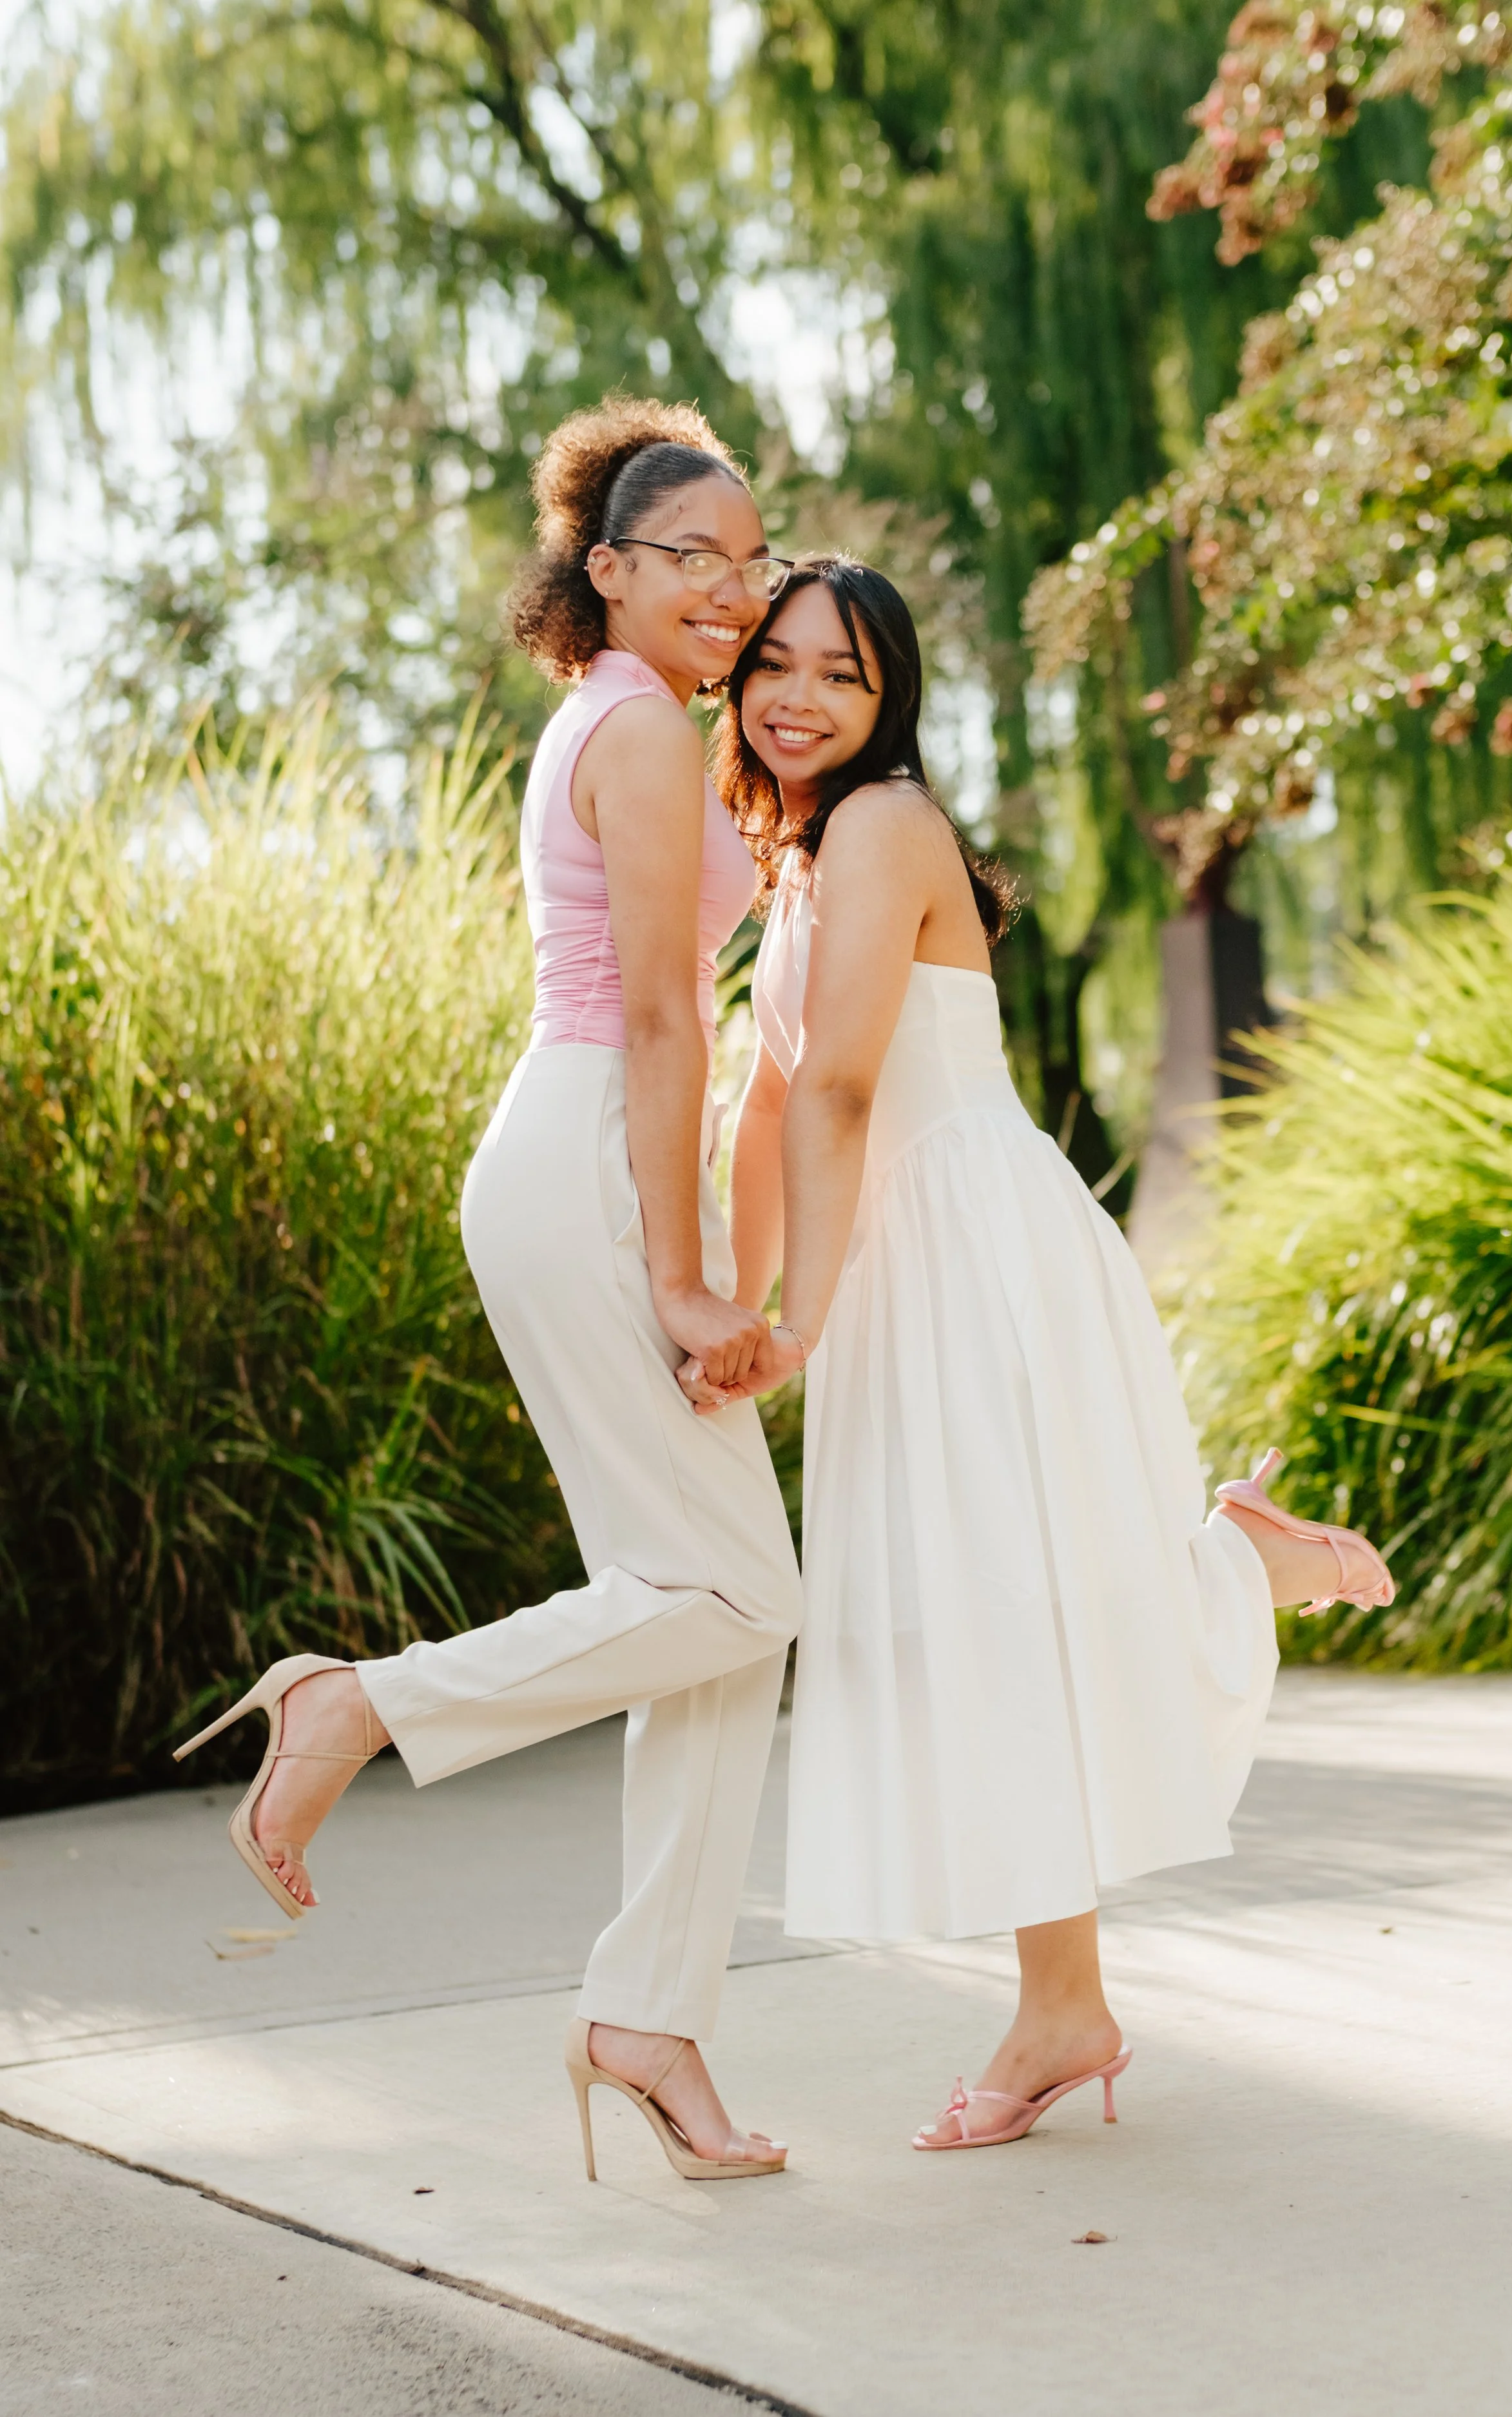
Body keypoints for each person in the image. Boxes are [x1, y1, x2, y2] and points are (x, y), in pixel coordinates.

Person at [685, 556, 1394, 2150]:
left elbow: (840, 1092)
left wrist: (787, 1320)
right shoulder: (791, 852)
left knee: (995, 1619)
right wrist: (736, 1305)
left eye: (842, 678)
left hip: (972, 1252)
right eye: (776, 666)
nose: (798, 696)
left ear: (892, 707)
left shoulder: (881, 827)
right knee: (972, 1627)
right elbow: (756, 1097)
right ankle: (1064, 1999)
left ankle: (1231, 1582)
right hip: (900, 1263)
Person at [176, 400, 806, 2182]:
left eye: (747, 560)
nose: (725, 586)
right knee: (736, 1591)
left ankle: (652, 2016)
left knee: (719, 1614)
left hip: (584, 1154)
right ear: (601, 567)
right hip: (593, 1159)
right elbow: (674, 1016)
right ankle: (359, 1704)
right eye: (689, 555)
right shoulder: (637, 731)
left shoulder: (630, 721)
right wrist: (685, 1275)